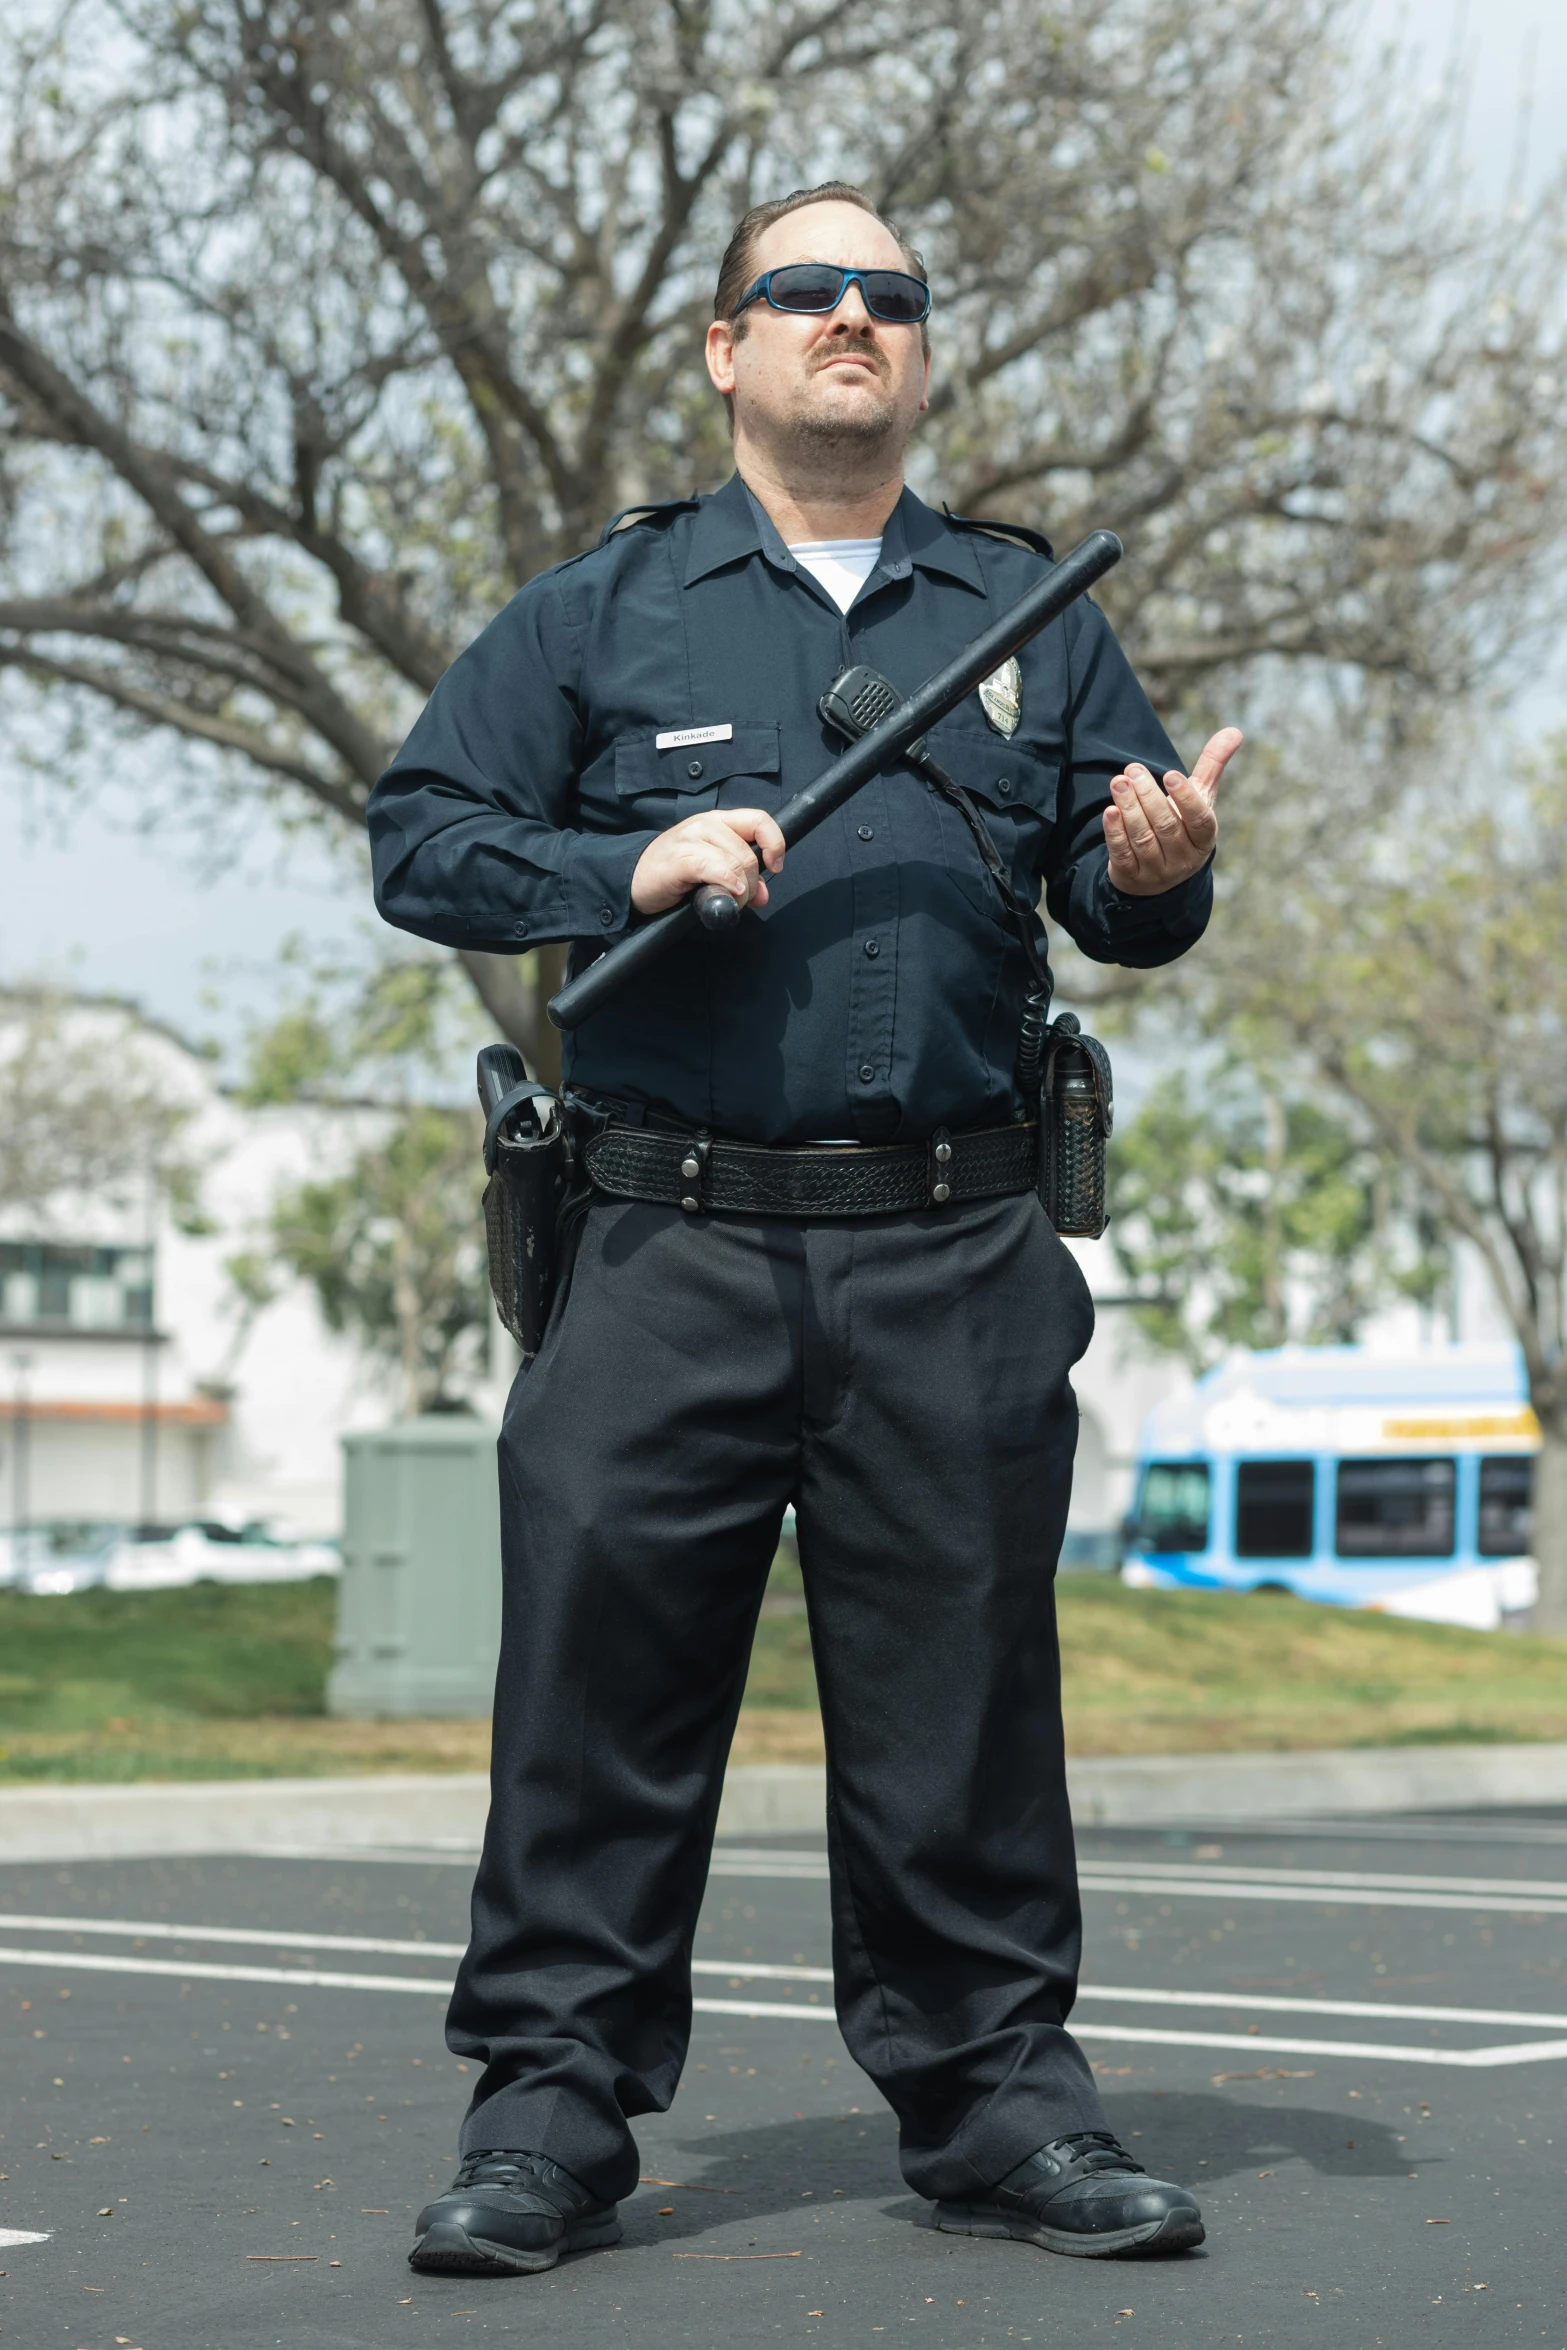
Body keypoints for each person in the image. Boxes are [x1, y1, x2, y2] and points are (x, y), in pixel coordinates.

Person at [369, 180, 1242, 2279]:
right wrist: (625, 857)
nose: (855, 317)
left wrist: (1159, 863)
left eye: (893, 297)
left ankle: (1001, 2102)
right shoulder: (614, 609)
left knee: (962, 1701)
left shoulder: (1023, 614)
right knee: (597, 1693)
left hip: (950, 1242)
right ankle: (551, 2115)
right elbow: (423, 834)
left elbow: (1124, 910)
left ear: (921, 352)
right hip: (665, 1240)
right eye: (807, 291)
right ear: (725, 349)